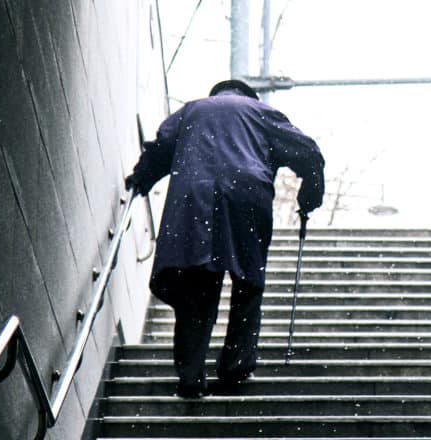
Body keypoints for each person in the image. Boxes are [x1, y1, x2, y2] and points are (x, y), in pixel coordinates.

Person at [125, 79, 324, 398]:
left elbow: (161, 146)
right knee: (248, 282)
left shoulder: (192, 110)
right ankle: (236, 365)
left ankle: (191, 376)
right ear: (248, 95)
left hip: (193, 196)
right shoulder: (261, 112)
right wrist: (309, 199)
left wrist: (141, 180)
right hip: (246, 195)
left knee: (196, 285)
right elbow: (309, 152)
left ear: (217, 93)